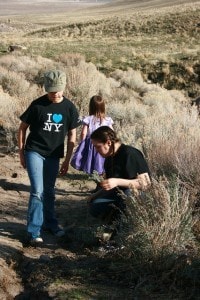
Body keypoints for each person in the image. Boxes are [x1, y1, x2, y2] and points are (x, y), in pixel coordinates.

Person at [18, 70, 81, 244]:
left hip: (54, 155)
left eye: (58, 91)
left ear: (63, 88)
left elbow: (72, 136)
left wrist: (67, 160)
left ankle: (50, 224)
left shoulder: (69, 108)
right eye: (51, 91)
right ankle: (33, 231)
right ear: (46, 88)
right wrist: (21, 152)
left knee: (49, 191)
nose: (55, 94)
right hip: (34, 151)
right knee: (37, 191)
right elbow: (22, 128)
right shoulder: (37, 105)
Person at [88, 126, 151, 229]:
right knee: (95, 207)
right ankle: (114, 221)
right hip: (117, 194)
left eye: (98, 146)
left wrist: (117, 182)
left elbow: (145, 183)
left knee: (128, 195)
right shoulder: (109, 157)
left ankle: (124, 229)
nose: (96, 150)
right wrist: (95, 195)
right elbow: (111, 184)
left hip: (137, 196)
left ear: (108, 142)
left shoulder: (130, 154)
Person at [70, 95, 114, 175]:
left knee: (89, 158)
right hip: (103, 143)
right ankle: (100, 172)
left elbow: (84, 132)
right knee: (100, 159)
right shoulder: (107, 120)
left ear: (91, 107)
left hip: (91, 142)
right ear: (103, 107)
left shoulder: (88, 119)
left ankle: (90, 172)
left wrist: (82, 142)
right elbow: (112, 132)